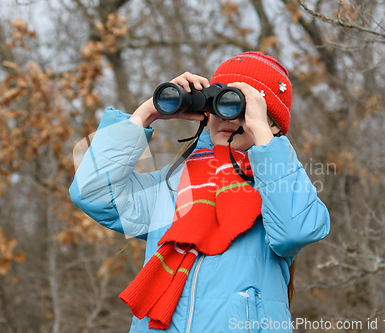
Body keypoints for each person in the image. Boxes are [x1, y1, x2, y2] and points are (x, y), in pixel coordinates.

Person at [69, 51, 330, 333]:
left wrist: (263, 134)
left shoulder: (275, 189)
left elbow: (296, 229)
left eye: (241, 106)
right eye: (221, 103)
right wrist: (145, 113)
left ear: (272, 124)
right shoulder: (172, 187)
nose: (229, 116)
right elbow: (93, 192)